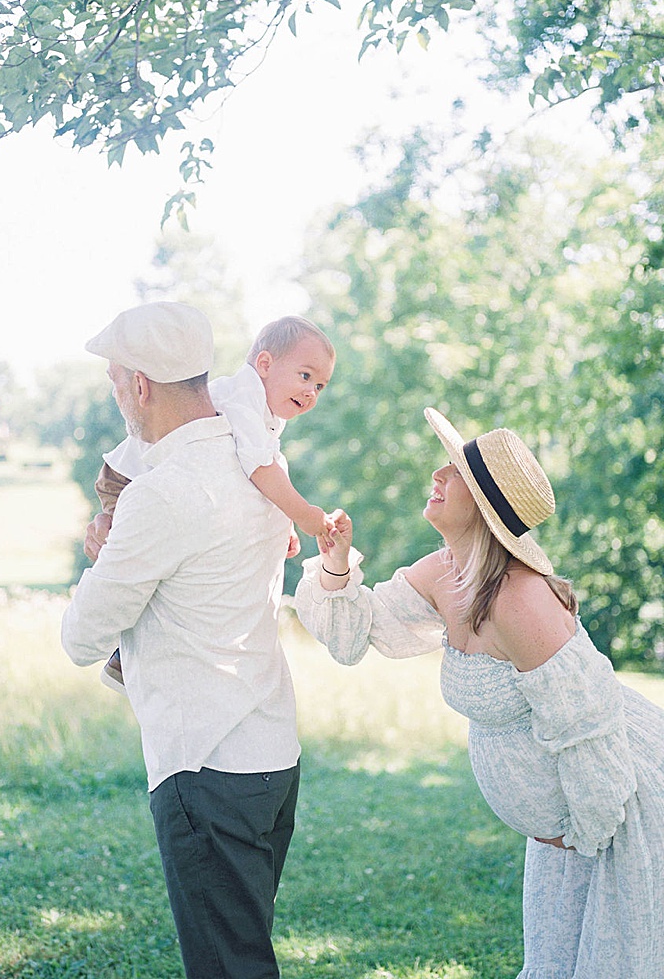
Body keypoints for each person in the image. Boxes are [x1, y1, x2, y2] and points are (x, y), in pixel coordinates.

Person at [294, 406, 664, 979]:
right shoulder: (444, 573)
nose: (437, 477)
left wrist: (588, 830)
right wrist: (336, 564)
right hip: (562, 832)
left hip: (618, 807)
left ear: (487, 505)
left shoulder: (520, 600)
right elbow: (354, 634)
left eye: (454, 472)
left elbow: (586, 725)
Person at [61, 301, 303, 979]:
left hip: (206, 768)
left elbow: (82, 637)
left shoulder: (161, 493)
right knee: (244, 951)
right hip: (272, 756)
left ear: (140, 385)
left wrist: (103, 558)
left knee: (230, 968)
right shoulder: (255, 458)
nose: (117, 399)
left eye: (115, 382)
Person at [87, 313, 337, 692]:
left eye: (320, 386)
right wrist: (305, 515)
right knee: (149, 566)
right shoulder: (243, 399)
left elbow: (262, 470)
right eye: (305, 377)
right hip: (126, 476)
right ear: (265, 365)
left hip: (146, 474)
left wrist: (281, 521)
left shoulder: (266, 411)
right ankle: (124, 656)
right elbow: (260, 468)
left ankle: (126, 658)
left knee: (179, 568)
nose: (311, 393)